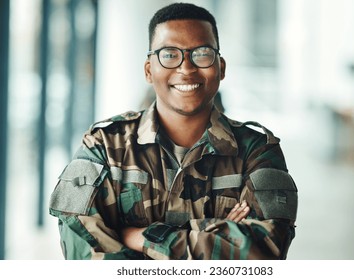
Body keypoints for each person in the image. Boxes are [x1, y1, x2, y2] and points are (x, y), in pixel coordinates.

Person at [49, 2, 298, 260]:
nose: (187, 68)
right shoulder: (105, 147)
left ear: (221, 68)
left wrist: (137, 236)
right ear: (149, 70)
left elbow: (263, 253)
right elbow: (83, 254)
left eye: (201, 53)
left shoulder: (257, 150)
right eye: (169, 54)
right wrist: (216, 234)